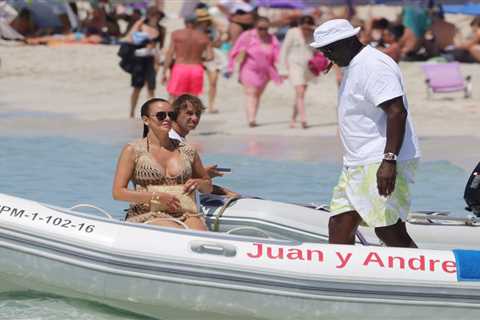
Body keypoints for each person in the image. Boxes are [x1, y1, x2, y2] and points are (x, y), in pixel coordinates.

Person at [310, 19, 421, 247]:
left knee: (388, 229)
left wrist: (388, 160)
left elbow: (396, 112)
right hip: (357, 162)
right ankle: (340, 278)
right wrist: (337, 60)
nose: (327, 56)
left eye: (329, 50)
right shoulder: (353, 65)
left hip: (379, 159)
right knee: (340, 223)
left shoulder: (374, 66)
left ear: (349, 41)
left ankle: (428, 278)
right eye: (323, 51)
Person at [112, 98, 212, 230]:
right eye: (161, 115)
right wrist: (157, 197)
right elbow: (118, 192)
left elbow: (208, 186)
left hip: (185, 212)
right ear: (146, 120)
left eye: (171, 115)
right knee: (177, 232)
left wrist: (198, 183)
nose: (167, 119)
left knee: (201, 237)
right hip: (147, 214)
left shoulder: (188, 151)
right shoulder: (133, 150)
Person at [170, 94, 239, 197]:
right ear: (176, 114)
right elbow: (175, 181)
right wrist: (223, 191)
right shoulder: (172, 140)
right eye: (189, 113)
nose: (195, 118)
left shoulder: (178, 137)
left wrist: (203, 174)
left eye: (198, 114)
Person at [226, 16, 282, 127]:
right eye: (260, 28)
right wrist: (230, 67)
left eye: (266, 28)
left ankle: (253, 116)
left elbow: (278, 54)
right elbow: (234, 51)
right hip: (249, 68)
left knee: (257, 95)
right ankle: (251, 119)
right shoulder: (247, 36)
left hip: (266, 72)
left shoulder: (272, 39)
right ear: (256, 27)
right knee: (251, 93)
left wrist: (282, 68)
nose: (263, 31)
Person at [124, 7, 166, 118]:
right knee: (137, 87)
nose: (155, 18)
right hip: (138, 60)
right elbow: (129, 38)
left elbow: (159, 48)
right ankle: (132, 112)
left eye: (157, 16)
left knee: (151, 87)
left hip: (151, 60)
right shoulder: (141, 26)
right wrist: (138, 23)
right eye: (153, 15)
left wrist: (158, 63)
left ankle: (152, 113)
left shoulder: (161, 30)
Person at [162, 14, 213, 100]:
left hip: (180, 68)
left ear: (185, 22)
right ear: (197, 23)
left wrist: (164, 72)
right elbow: (210, 57)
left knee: (173, 98)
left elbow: (170, 54)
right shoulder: (204, 37)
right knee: (193, 100)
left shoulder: (176, 34)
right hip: (196, 68)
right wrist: (200, 58)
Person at [279, 15, 317, 129]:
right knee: (300, 91)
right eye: (304, 27)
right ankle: (303, 119)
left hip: (308, 67)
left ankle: (293, 118)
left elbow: (317, 51)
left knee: (300, 94)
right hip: (294, 65)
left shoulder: (314, 34)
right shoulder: (292, 32)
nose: (306, 30)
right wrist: (282, 70)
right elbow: (284, 50)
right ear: (300, 26)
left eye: (308, 28)